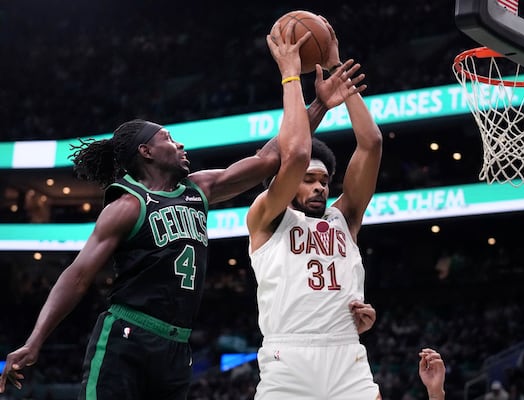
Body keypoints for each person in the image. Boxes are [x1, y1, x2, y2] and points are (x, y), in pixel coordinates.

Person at [0, 21, 364, 400]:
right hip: (127, 337)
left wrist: (320, 103)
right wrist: (36, 339)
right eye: (168, 139)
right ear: (146, 152)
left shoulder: (200, 188)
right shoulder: (127, 206)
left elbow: (272, 157)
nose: (179, 143)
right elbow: (77, 276)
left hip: (177, 348)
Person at [245, 17, 382, 399]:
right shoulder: (267, 217)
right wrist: (292, 77)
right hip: (286, 356)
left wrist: (337, 65)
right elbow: (295, 155)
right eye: (309, 180)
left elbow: (370, 143)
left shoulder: (345, 218)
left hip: (345, 354)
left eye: (323, 180)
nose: (319, 186)